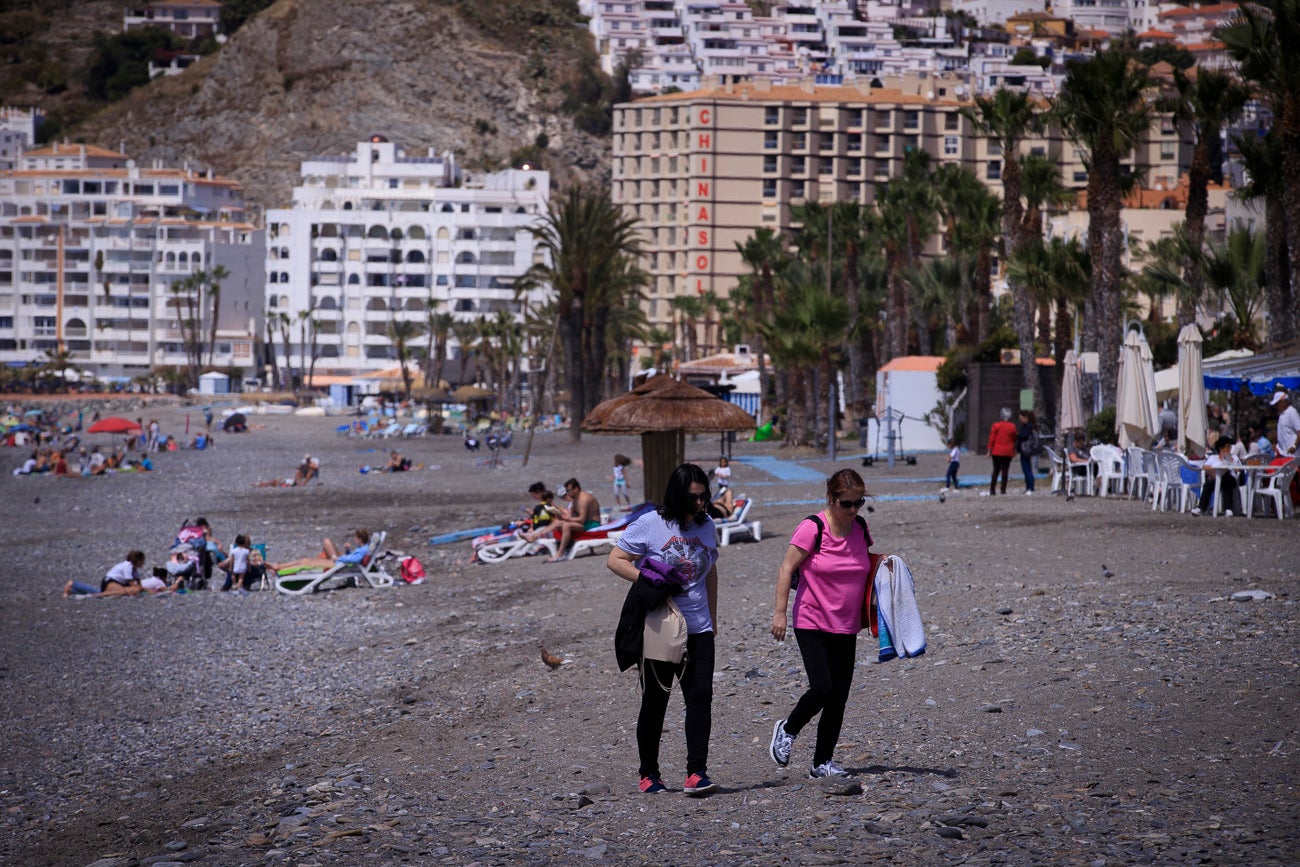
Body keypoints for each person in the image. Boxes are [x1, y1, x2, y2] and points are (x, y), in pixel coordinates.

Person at [606, 463, 719, 796]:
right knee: (655, 700)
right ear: (678, 495)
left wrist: (712, 620)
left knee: (700, 700)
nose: (700, 504)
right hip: (659, 627)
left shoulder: (707, 525)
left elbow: (711, 571)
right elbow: (615, 559)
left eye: (704, 497)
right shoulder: (651, 524)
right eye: (693, 498)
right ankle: (648, 774)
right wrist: (651, 578)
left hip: (699, 628)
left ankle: (696, 773)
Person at [769, 469, 876, 780]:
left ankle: (822, 762)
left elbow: (864, 567)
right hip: (812, 620)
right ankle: (787, 729)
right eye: (847, 504)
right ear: (832, 499)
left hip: (846, 623)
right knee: (822, 688)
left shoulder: (860, 528)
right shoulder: (812, 527)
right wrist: (780, 613)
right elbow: (787, 568)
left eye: (859, 503)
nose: (854, 510)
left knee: (839, 696)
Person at [269, 528, 372, 574]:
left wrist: (339, 558)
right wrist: (348, 551)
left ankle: (278, 567)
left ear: (359, 539)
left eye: (355, 538)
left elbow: (355, 560)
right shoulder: (363, 548)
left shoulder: (363, 550)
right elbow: (354, 557)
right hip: (339, 562)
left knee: (304, 562)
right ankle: (278, 566)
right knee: (304, 560)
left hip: (337, 564)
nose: (354, 540)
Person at [547, 478, 602, 562]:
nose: (568, 494)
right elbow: (571, 515)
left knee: (567, 525)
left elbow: (581, 519)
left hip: (592, 524)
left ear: (576, 489)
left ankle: (560, 553)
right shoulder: (575, 499)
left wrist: (566, 519)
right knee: (558, 523)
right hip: (584, 523)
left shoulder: (583, 499)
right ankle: (563, 548)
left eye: (569, 491)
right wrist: (559, 514)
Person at [64, 551, 147, 598]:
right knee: (121, 592)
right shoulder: (128, 566)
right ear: (138, 560)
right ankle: (74, 584)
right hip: (110, 581)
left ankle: (73, 591)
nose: (143, 563)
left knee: (100, 591)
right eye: (142, 560)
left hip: (114, 582)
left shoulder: (134, 569)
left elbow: (138, 584)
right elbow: (132, 584)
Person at [1192, 437, 1239, 516]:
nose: (1230, 449)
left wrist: (1230, 464)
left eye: (1230, 447)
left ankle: (1228, 508)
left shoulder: (1234, 458)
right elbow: (1204, 467)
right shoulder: (1213, 458)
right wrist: (1214, 472)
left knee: (1225, 479)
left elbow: (1239, 470)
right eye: (1228, 447)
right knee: (1209, 482)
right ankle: (1201, 508)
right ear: (1221, 448)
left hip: (1229, 479)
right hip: (1215, 479)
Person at [987, 408, 1018, 496]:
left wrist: (989, 449)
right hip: (1008, 451)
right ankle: (1003, 489)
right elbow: (1014, 438)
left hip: (997, 451)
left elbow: (992, 438)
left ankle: (992, 489)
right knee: (1005, 470)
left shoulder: (996, 425)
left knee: (996, 470)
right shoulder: (1012, 426)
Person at [1016, 409, 1038, 495]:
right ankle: (1028, 486)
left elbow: (1024, 436)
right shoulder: (1029, 426)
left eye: (1021, 418)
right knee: (1026, 468)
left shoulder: (1028, 426)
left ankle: (1030, 487)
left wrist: (1018, 434)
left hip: (1025, 449)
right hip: (1024, 450)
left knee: (1027, 469)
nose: (1020, 420)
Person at [1272, 391, 1298, 456]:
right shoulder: (1282, 414)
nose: (1276, 406)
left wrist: (1294, 446)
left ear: (1284, 402)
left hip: (1293, 454)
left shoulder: (1292, 413)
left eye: (1277, 403)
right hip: (1283, 452)